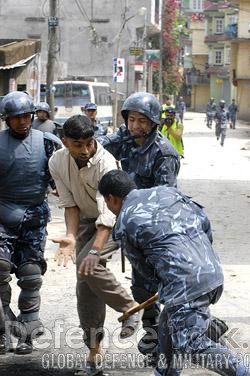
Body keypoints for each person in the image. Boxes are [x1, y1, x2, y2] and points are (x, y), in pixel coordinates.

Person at [98, 169, 249, 376]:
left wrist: (168, 282)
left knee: (191, 344)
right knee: (168, 325)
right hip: (212, 271)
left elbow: (144, 271)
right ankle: (164, 372)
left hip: (185, 284)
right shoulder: (168, 193)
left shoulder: (125, 221)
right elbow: (204, 224)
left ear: (111, 199)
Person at [48, 115, 140, 374]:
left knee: (86, 265)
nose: (85, 150)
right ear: (64, 141)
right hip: (86, 220)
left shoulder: (106, 162)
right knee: (85, 283)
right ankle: (94, 352)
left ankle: (130, 307)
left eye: (89, 143)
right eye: (78, 144)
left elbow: (108, 214)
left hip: (117, 218)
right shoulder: (56, 161)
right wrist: (70, 236)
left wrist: (95, 251)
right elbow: (70, 204)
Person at [98, 92, 180, 359]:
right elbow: (97, 148)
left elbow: (166, 198)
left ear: (154, 122)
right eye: (131, 119)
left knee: (165, 283)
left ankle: (196, 327)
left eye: (142, 121)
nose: (135, 126)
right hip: (129, 223)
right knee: (141, 286)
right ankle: (153, 334)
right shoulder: (126, 140)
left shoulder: (163, 153)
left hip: (155, 227)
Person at [0, 91, 61, 355]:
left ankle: (26, 334)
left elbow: (65, 176)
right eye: (17, 118)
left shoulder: (48, 143)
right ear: (7, 120)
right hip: (2, 217)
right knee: (0, 269)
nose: (23, 121)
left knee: (31, 275)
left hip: (34, 218)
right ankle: (3, 330)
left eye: (27, 116)